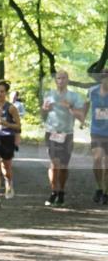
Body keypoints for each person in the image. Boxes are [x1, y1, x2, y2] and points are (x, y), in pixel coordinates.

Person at [40, 70, 86, 206]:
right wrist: (44, 109)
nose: (61, 80)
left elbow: (81, 116)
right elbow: (43, 114)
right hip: (51, 132)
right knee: (54, 163)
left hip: (67, 134)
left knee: (64, 166)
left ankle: (61, 191)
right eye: (58, 78)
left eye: (63, 78)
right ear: (55, 80)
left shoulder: (74, 96)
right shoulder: (49, 94)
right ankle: (54, 191)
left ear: (68, 80)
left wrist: (70, 107)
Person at [0, 80, 21, 206]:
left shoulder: (11, 108)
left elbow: (18, 126)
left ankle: (9, 181)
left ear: (6, 92)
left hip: (7, 139)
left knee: (6, 167)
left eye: (2, 91)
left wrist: (6, 123)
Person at [86, 68, 108, 205]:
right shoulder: (92, 91)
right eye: (103, 75)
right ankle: (99, 187)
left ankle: (106, 192)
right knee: (97, 158)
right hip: (97, 131)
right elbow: (85, 106)